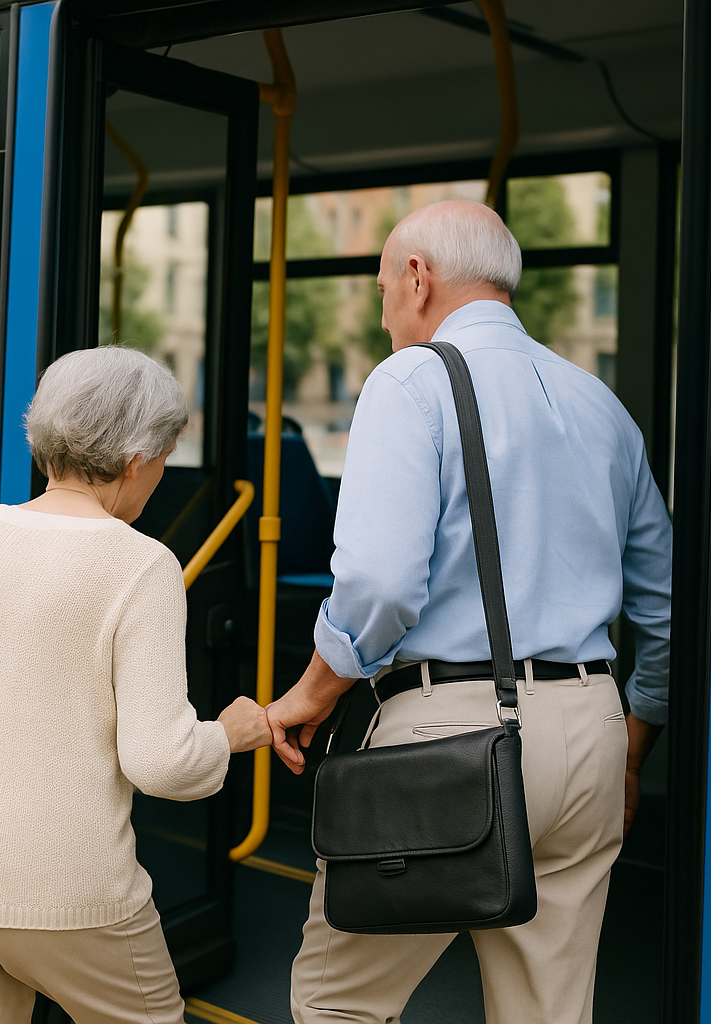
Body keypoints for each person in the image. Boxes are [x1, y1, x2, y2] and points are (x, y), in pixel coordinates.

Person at [265, 199, 671, 1024]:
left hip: (447, 728)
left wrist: (312, 692)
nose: (384, 318)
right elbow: (665, 611)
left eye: (382, 290)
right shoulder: (601, 405)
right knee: (547, 1012)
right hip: (590, 732)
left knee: (339, 1004)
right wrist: (629, 750)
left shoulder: (412, 381)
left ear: (418, 278)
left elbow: (378, 584)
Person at [0, 346, 271, 1024]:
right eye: (165, 458)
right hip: (64, 891)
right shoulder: (142, 565)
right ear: (137, 460)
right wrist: (231, 733)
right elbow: (160, 761)